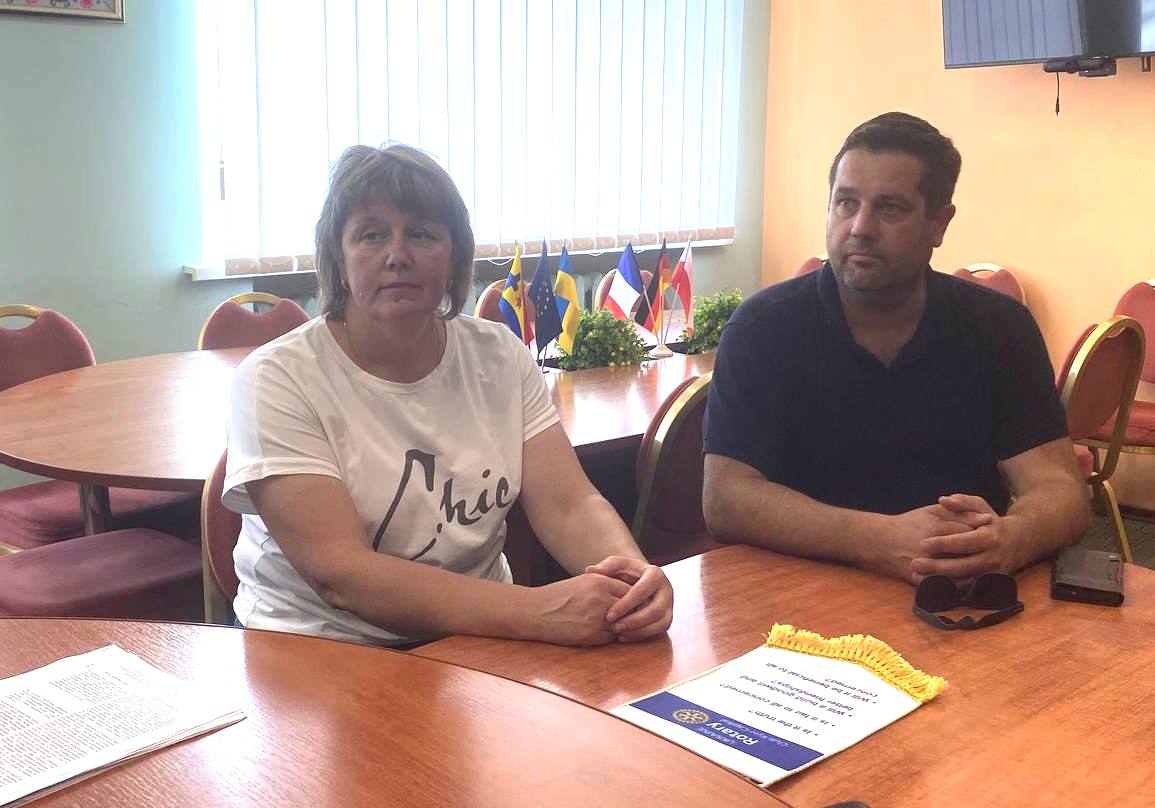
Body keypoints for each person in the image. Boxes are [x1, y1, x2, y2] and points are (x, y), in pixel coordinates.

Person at [223, 143, 673, 647]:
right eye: (371, 235)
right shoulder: (276, 378)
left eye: (422, 234)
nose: (397, 256)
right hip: (317, 648)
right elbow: (341, 574)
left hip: (475, 636)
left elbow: (568, 504)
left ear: (454, 258)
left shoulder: (499, 354)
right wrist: (535, 611)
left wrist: (632, 578)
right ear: (339, 261)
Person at [702, 112, 1089, 585]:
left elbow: (1060, 490)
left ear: (939, 224)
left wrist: (1013, 538)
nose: (860, 227)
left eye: (890, 208)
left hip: (955, 589)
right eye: (846, 203)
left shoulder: (998, 327)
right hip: (797, 589)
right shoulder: (763, 327)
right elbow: (726, 499)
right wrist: (877, 539)